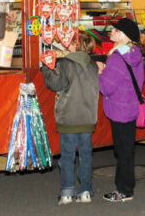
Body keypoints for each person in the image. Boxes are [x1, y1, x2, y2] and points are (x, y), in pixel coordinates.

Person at [41, 31, 99, 205]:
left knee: (67, 157)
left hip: (69, 117)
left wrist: (46, 67)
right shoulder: (93, 65)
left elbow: (55, 84)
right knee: (86, 156)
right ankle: (85, 191)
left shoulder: (66, 63)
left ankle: (67, 192)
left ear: (74, 45)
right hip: (88, 117)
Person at [97, 18, 144, 203]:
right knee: (127, 149)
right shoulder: (135, 53)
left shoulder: (117, 58)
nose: (111, 32)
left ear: (123, 35)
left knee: (122, 151)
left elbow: (106, 87)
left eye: (115, 30)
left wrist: (100, 71)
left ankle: (124, 190)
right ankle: (126, 187)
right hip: (130, 106)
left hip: (118, 109)